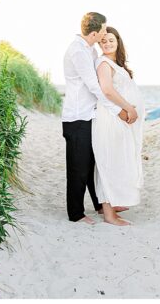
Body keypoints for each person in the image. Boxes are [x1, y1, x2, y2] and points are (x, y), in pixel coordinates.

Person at [61, 12, 138, 224]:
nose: (105, 33)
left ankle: (99, 205)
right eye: (103, 30)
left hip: (90, 115)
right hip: (77, 117)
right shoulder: (78, 51)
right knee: (78, 167)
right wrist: (119, 110)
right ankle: (76, 213)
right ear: (94, 33)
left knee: (94, 162)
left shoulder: (90, 50)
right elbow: (96, 87)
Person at [92, 26, 145, 226]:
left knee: (118, 161)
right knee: (109, 164)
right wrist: (128, 109)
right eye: (103, 41)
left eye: (110, 40)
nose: (107, 43)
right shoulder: (103, 63)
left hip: (119, 120)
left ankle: (112, 204)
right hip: (111, 119)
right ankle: (108, 214)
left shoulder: (116, 63)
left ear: (118, 41)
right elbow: (107, 90)